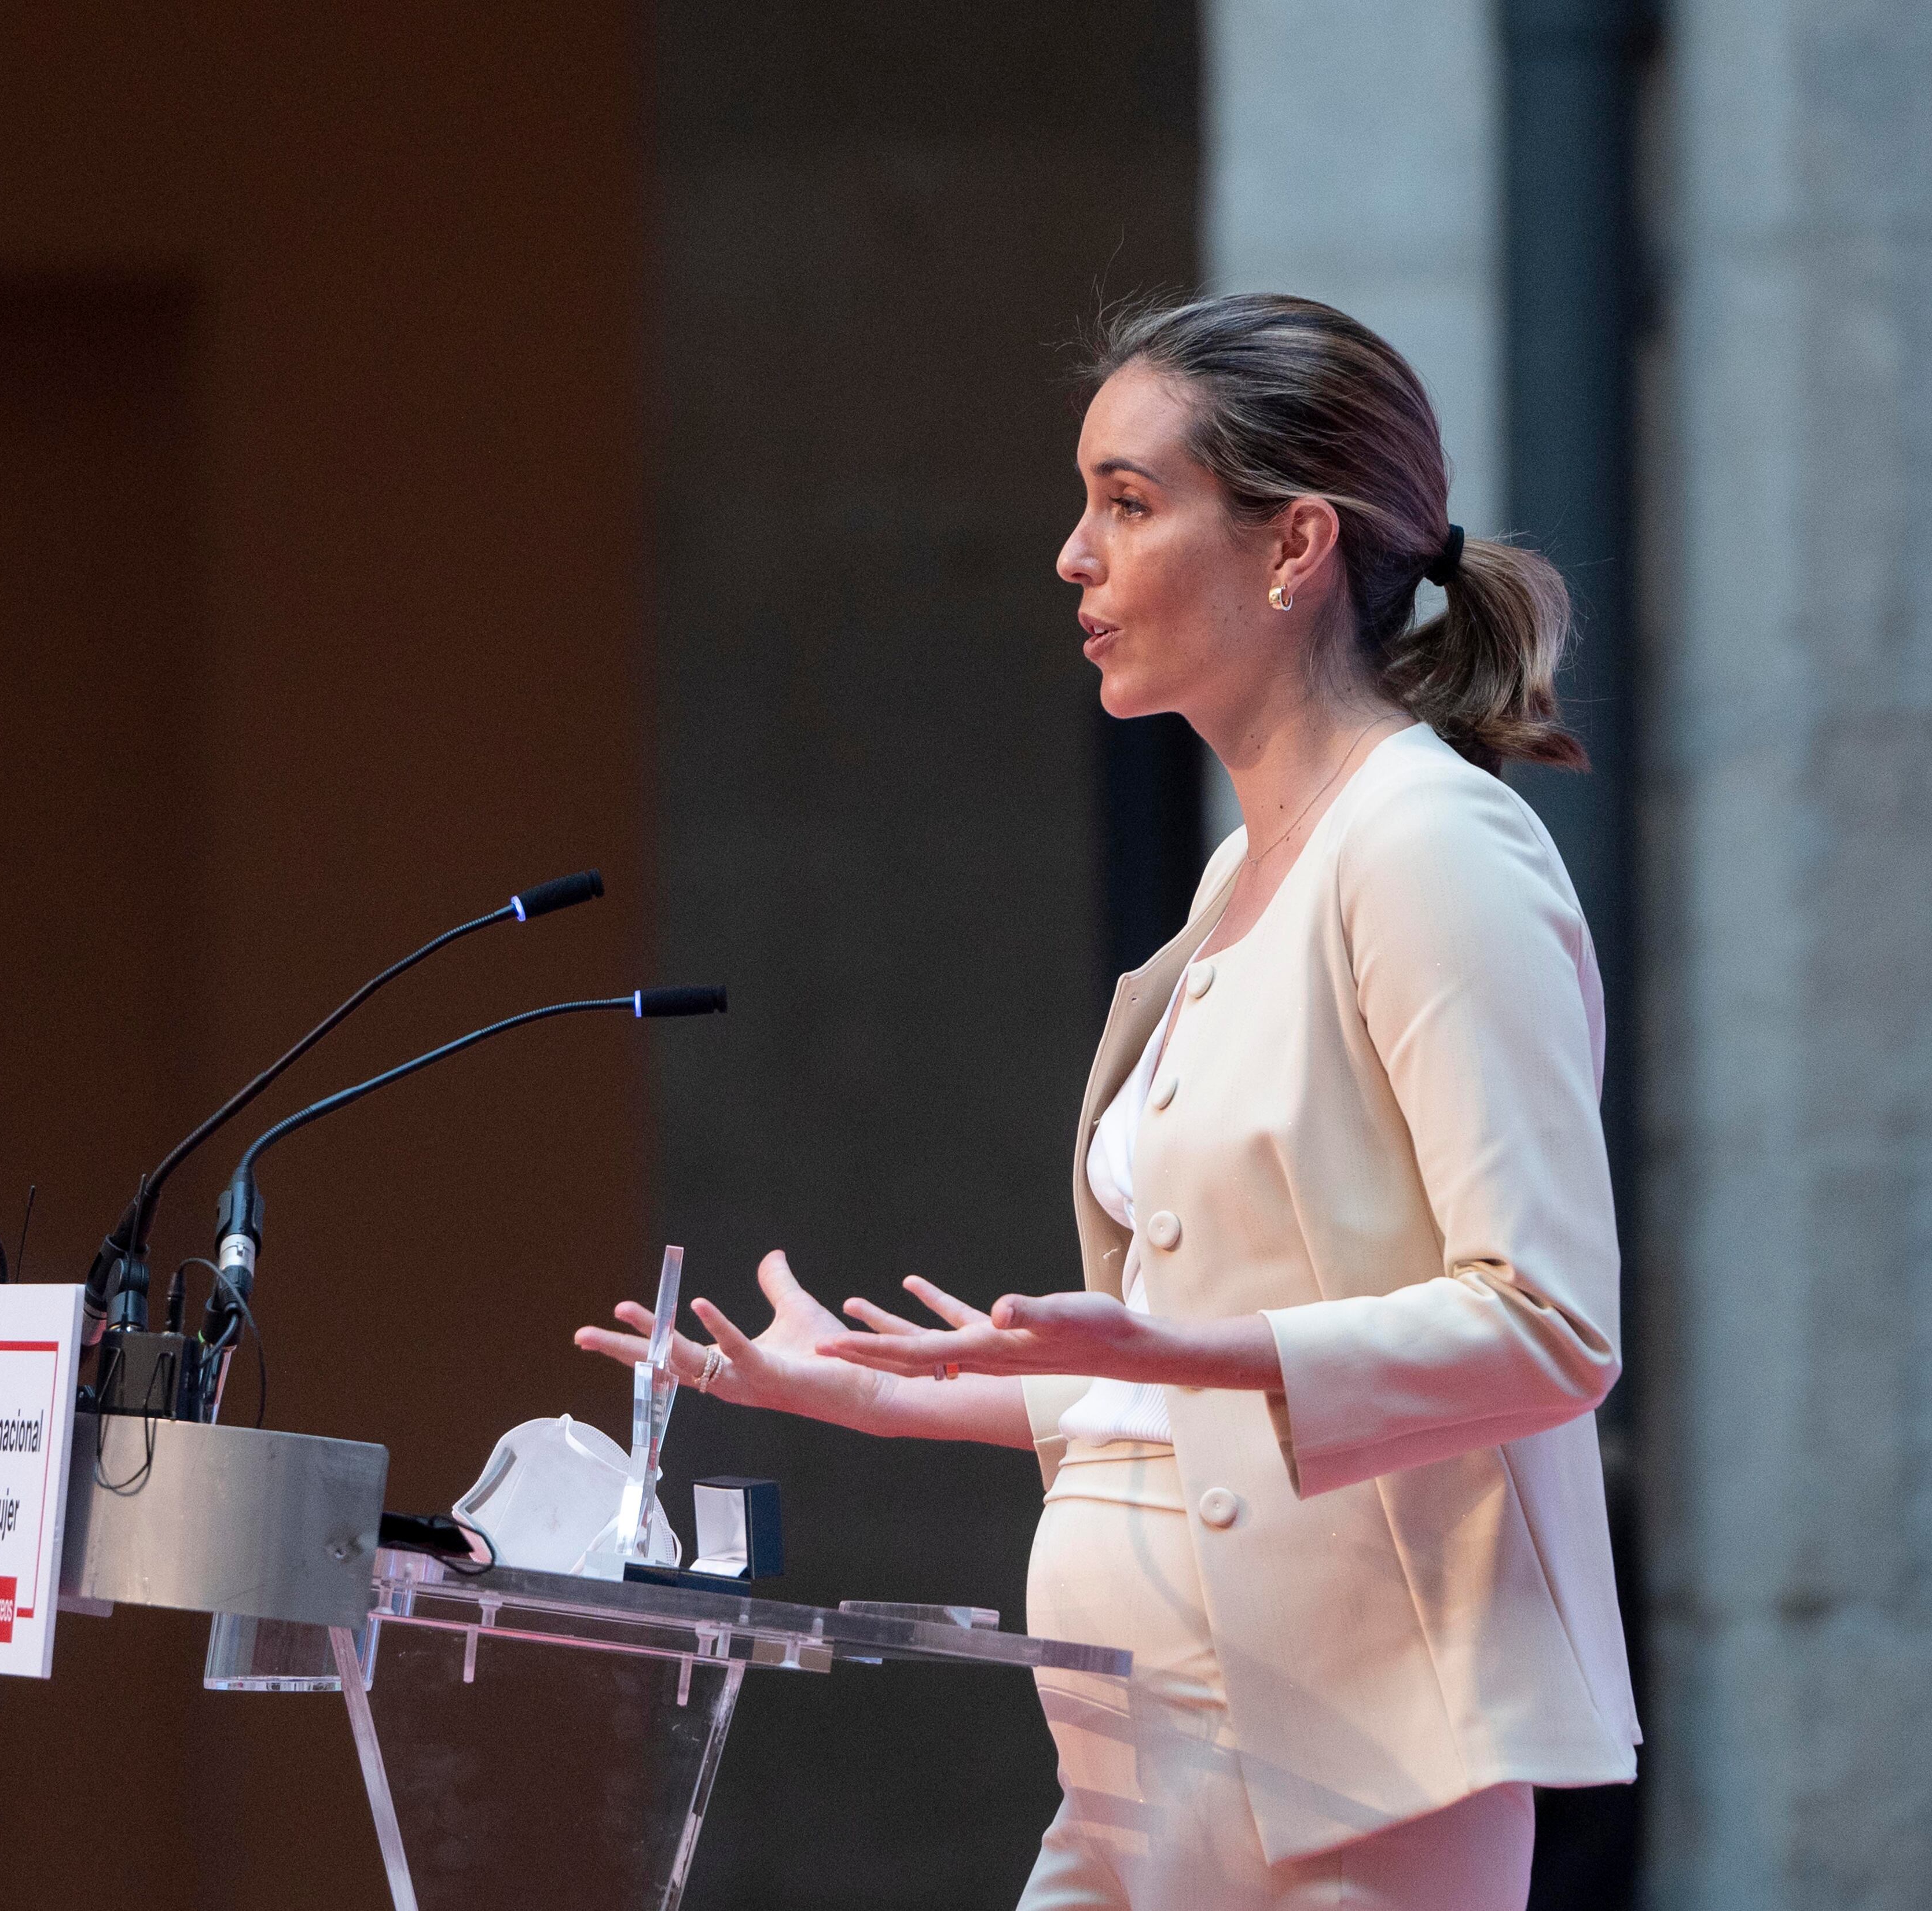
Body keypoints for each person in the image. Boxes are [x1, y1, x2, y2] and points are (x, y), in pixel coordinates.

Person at [576, 292, 1639, 1910]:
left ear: (1294, 549)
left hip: (1344, 1762)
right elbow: (1175, 1373)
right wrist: (894, 1394)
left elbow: (1550, 1327)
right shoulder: (1231, 877)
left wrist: (1172, 1347)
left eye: (1129, 504)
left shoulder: (1430, 846)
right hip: (1130, 1743)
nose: (1074, 554)